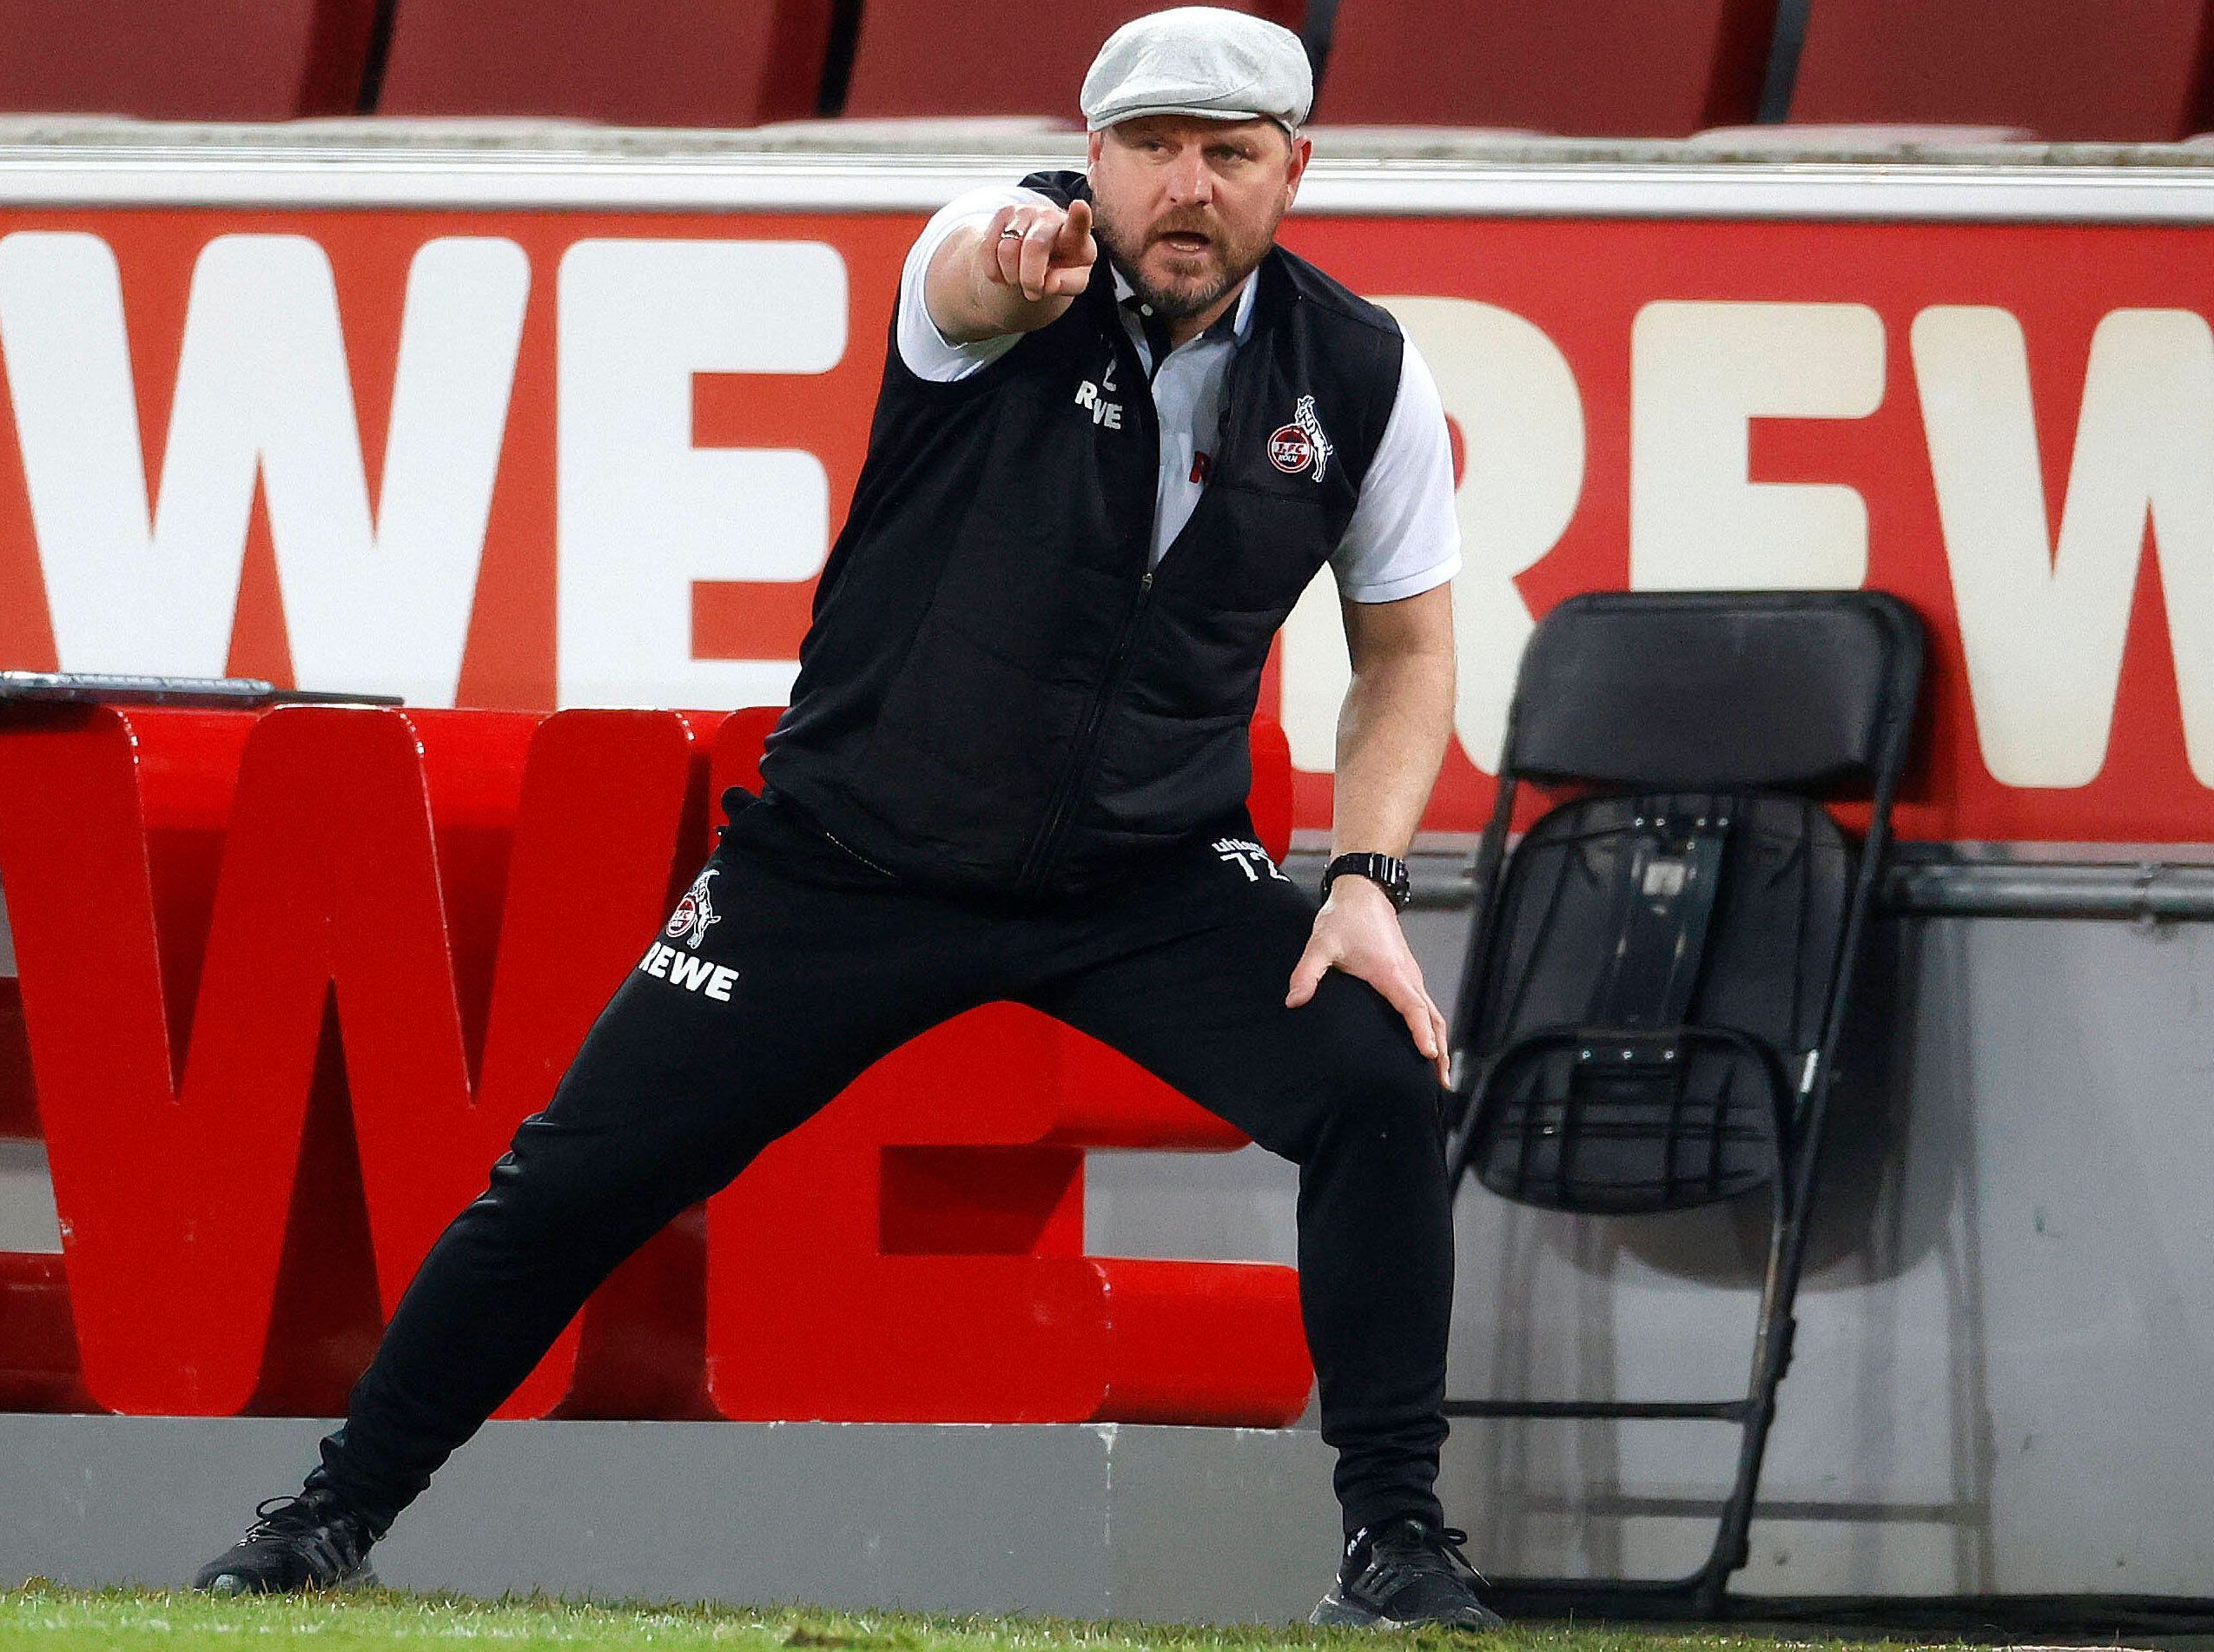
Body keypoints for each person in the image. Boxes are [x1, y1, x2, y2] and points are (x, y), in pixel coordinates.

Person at [195, 6, 1495, 1629]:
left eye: (1228, 156)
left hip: (1145, 871)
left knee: (1374, 1074)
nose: (1185, 188)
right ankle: (332, 1511)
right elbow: (963, 261)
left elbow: (1409, 651)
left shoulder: (1360, 373)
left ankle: (1394, 1542)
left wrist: (1365, 879)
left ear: (1294, 172)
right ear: (1091, 156)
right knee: (575, 1178)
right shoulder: (997, 281)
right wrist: (1003, 253)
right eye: (1150, 148)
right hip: (850, 855)